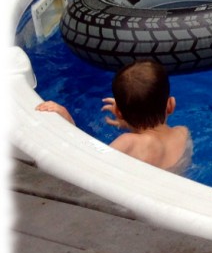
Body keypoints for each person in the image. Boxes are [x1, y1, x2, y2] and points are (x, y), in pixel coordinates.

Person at [35, 58, 192, 173]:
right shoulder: (183, 133)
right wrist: (127, 123)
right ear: (171, 105)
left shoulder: (129, 142)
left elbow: (89, 164)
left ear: (118, 113)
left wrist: (68, 121)